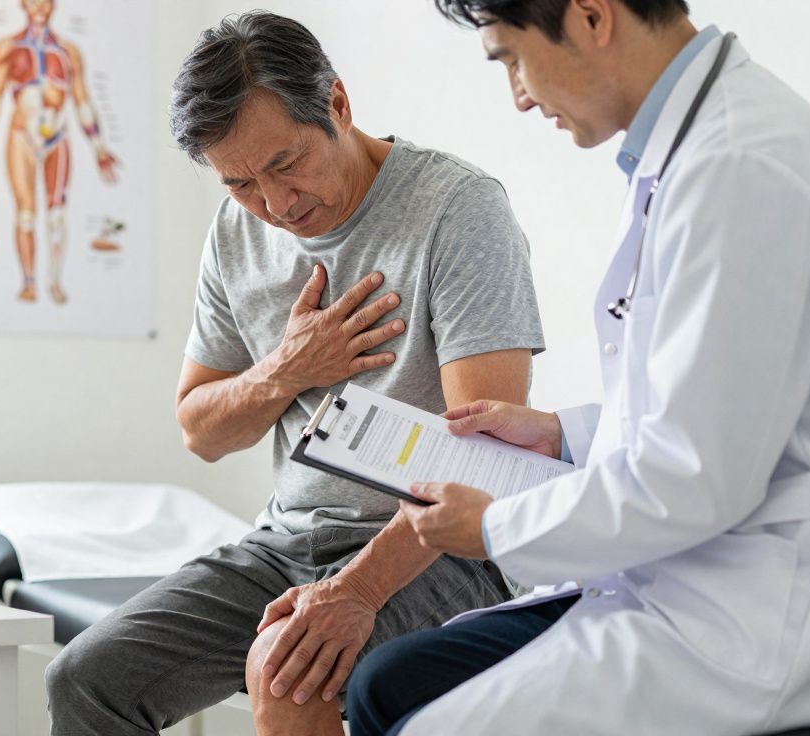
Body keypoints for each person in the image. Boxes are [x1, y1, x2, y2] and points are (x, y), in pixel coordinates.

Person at [344, 1, 810, 734]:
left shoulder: (741, 165)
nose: (520, 94)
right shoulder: (695, 149)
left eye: (510, 57)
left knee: (421, 722)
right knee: (385, 683)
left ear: (592, 15)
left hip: (769, 606)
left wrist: (497, 526)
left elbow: (694, 474)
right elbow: (710, 409)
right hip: (696, 563)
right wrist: (560, 434)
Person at [44, 11, 547, 735]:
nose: (275, 205)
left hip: (441, 551)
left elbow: (484, 455)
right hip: (287, 542)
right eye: (241, 183)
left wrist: (357, 590)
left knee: (288, 672)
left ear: (338, 104)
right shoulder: (236, 232)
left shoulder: (458, 210)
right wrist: (285, 369)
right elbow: (201, 430)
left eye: (285, 164)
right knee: (86, 681)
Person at [0, 0, 118, 304]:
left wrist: (99, 148)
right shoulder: (8, 48)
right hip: (22, 135)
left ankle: (54, 281)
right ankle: (29, 282)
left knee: (56, 213)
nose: (40, 6)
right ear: (23, 5)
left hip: (57, 136)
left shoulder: (69, 52)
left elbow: (82, 102)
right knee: (26, 213)